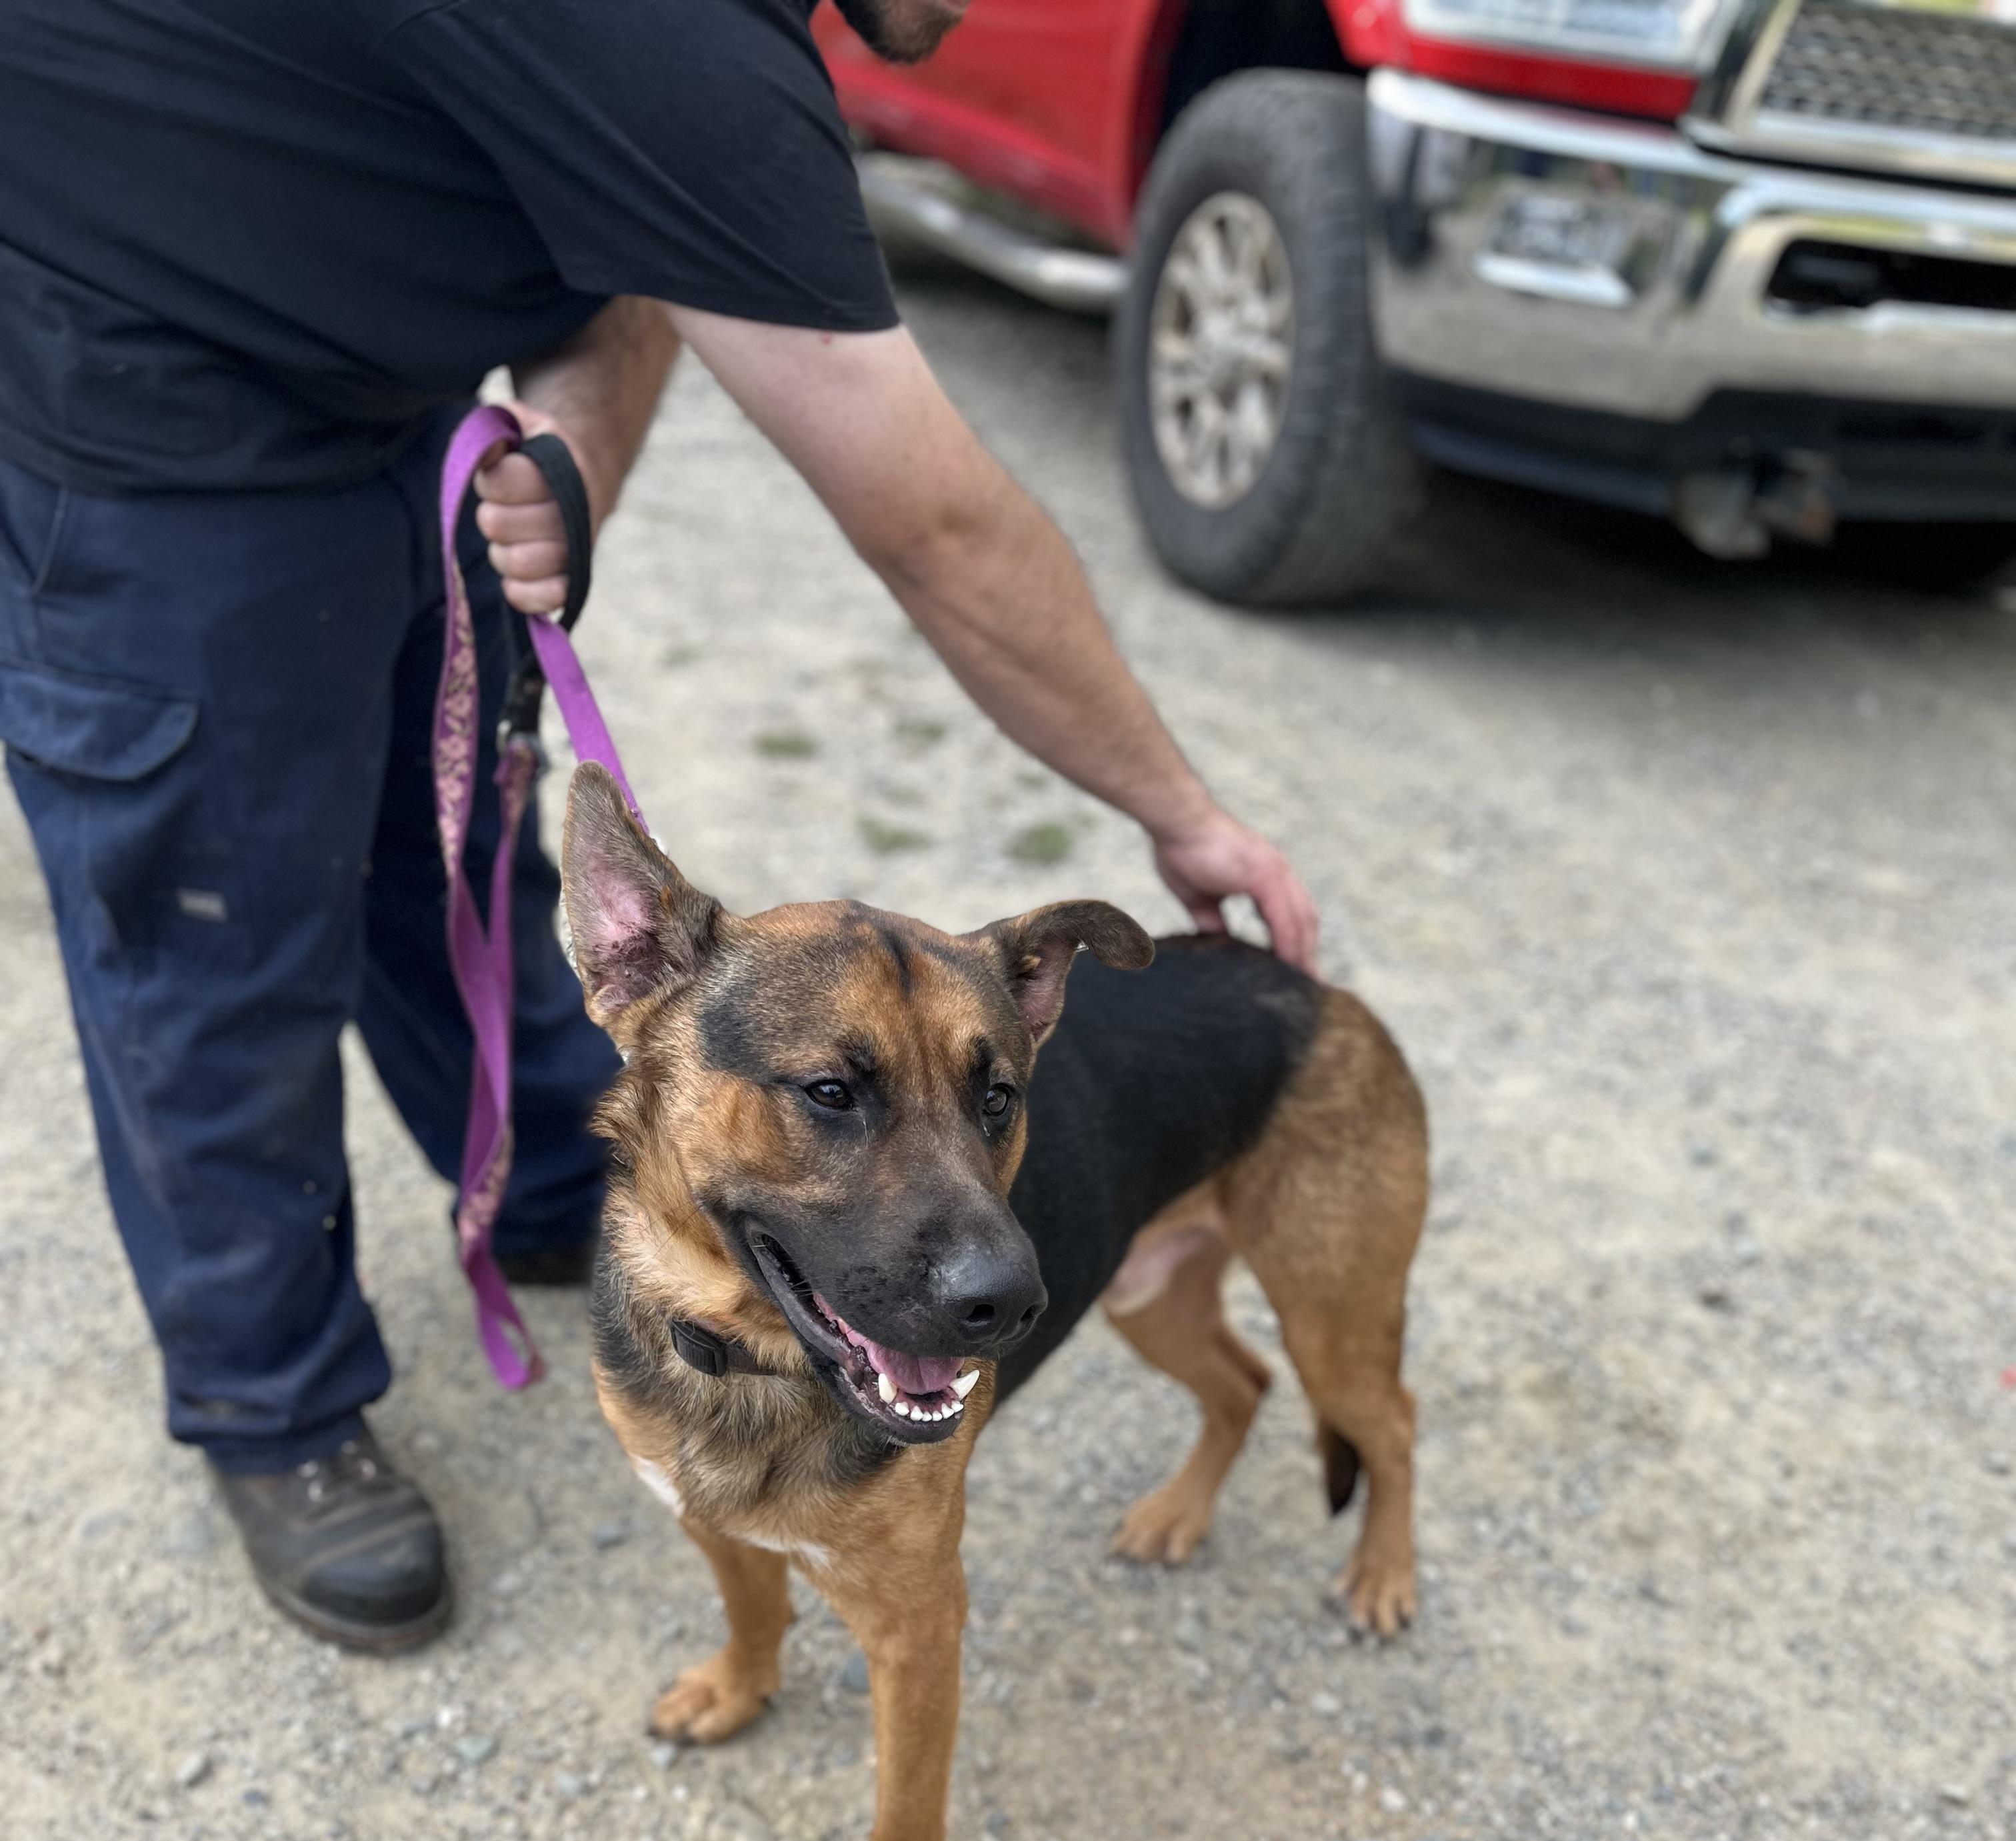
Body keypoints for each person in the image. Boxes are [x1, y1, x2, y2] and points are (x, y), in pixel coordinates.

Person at [0, 0, 1322, 1654]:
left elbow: (627, 251)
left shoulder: (702, 57)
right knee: (215, 930)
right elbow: (937, 521)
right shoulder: (682, 39)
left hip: (380, 409)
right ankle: (273, 1404)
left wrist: (576, 443)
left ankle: (574, 1180)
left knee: (449, 834)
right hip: (139, 424)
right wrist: (1176, 810)